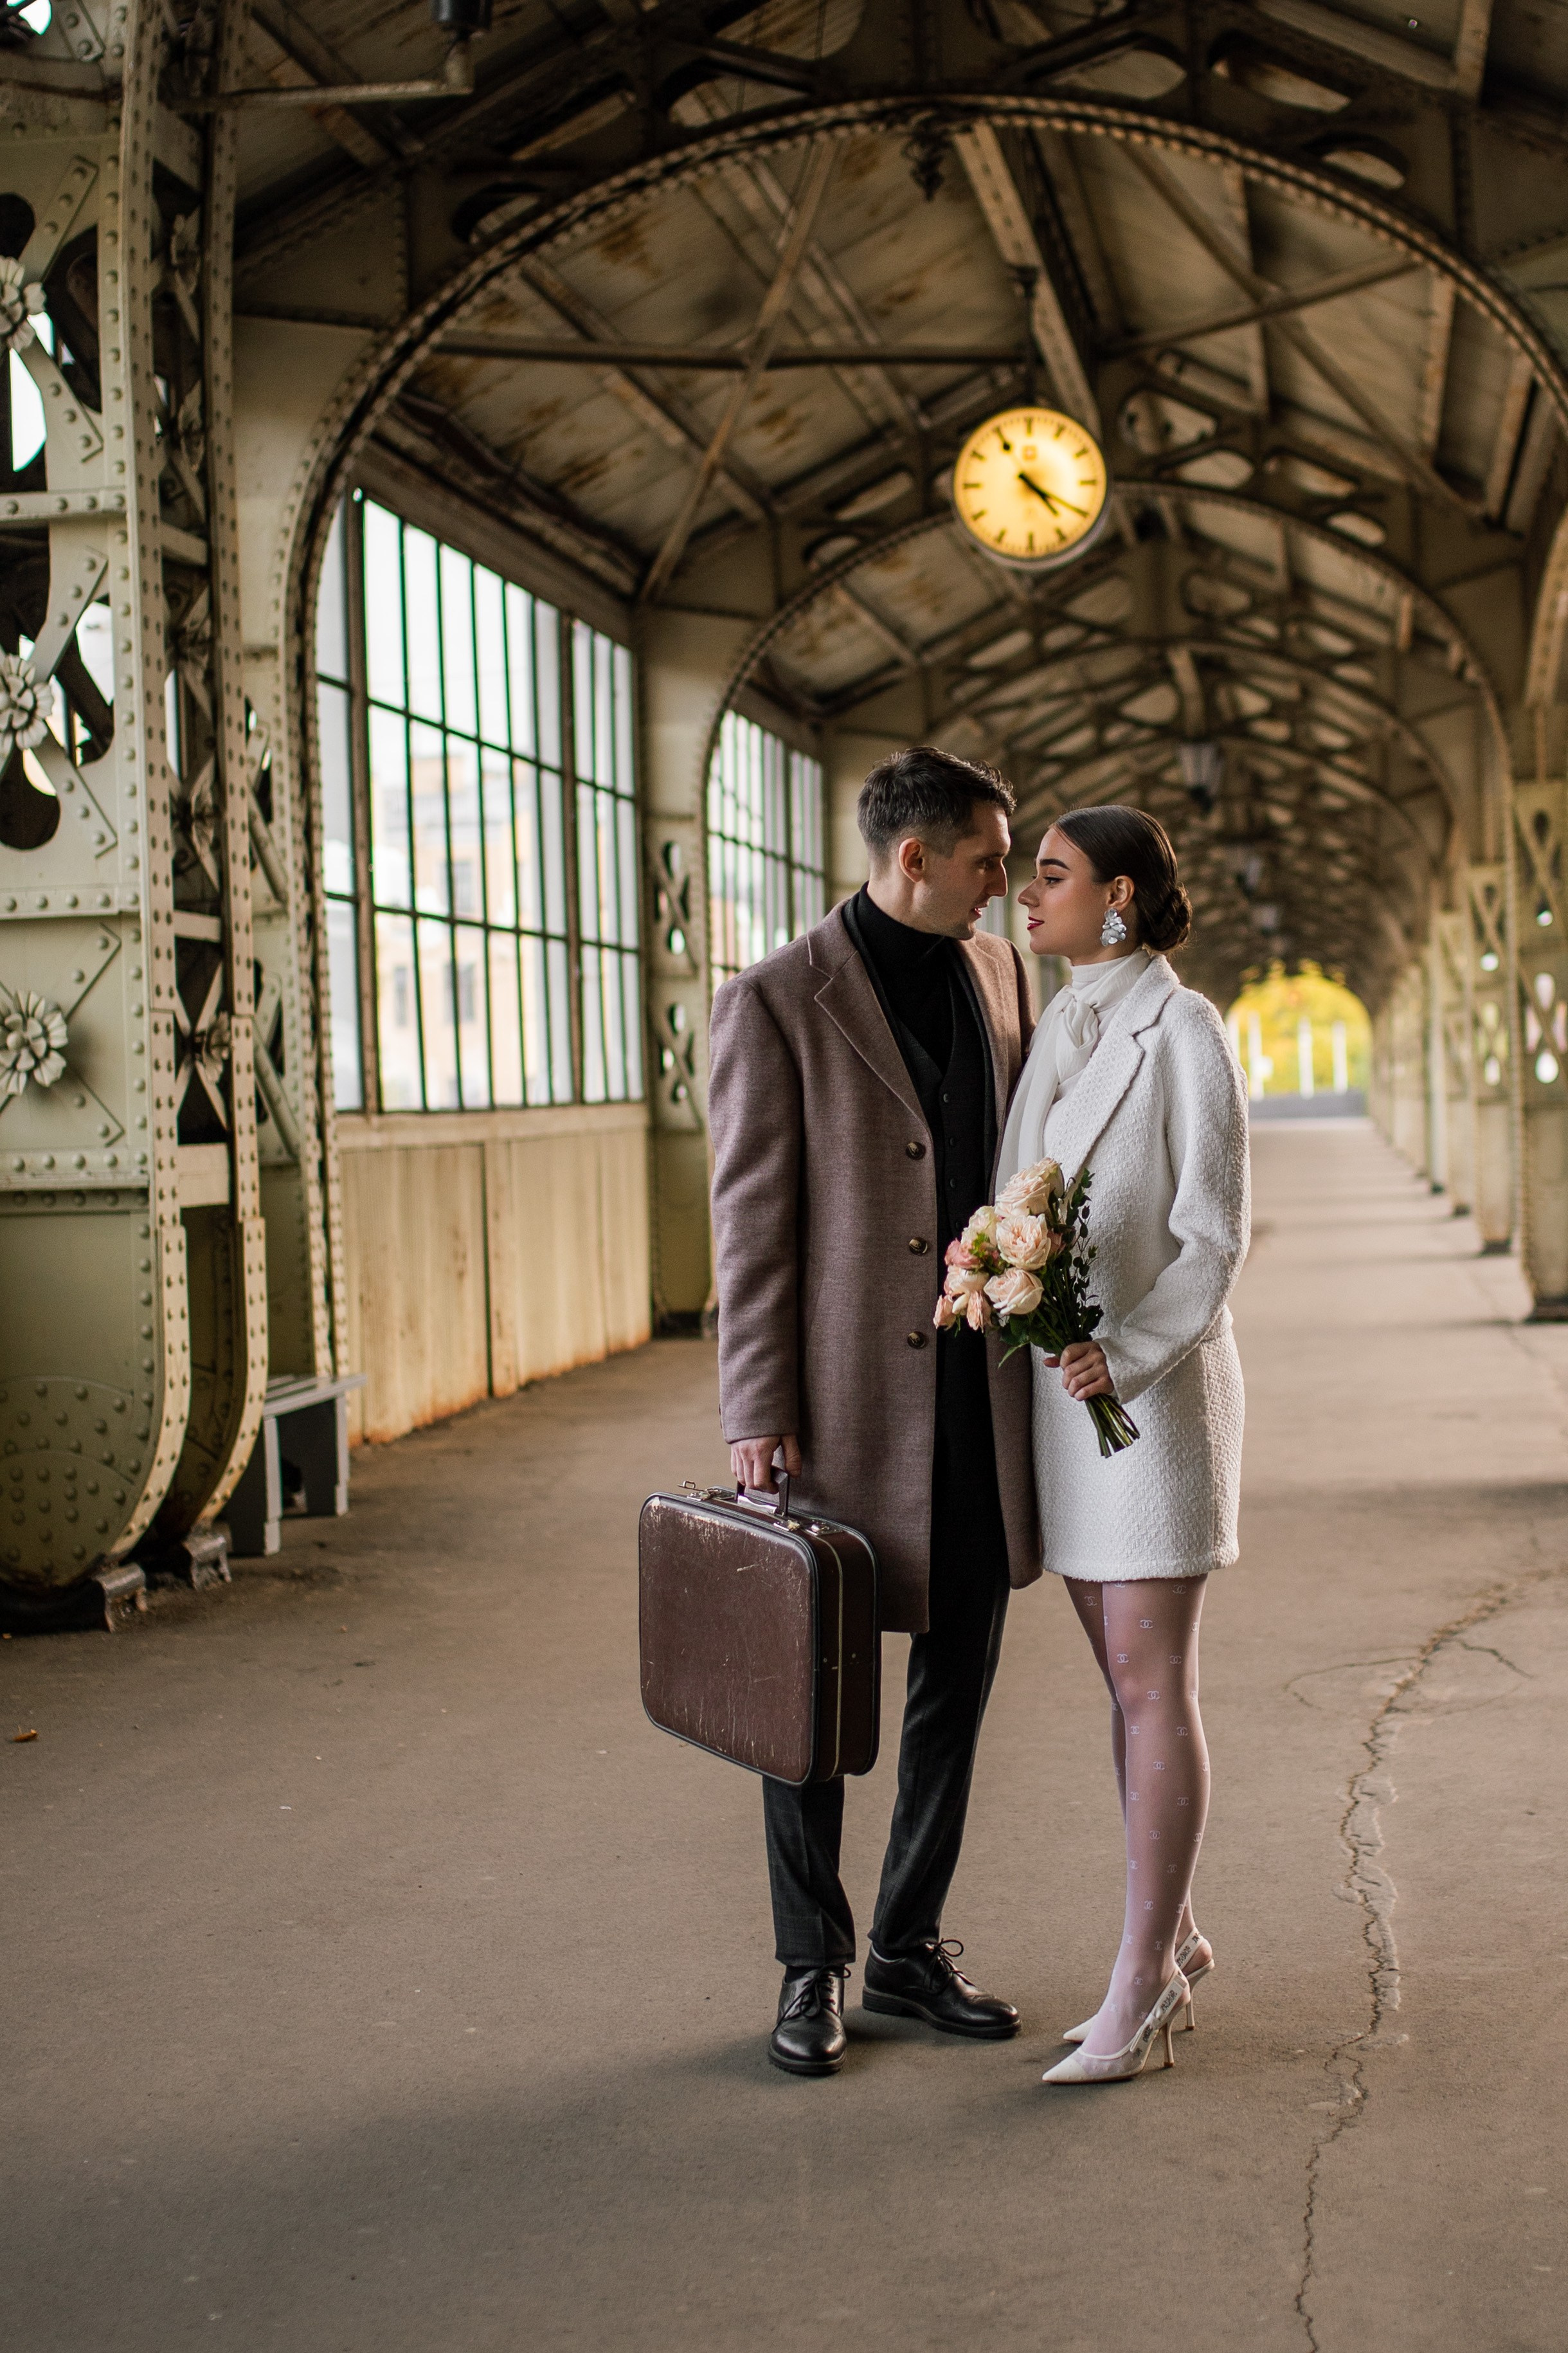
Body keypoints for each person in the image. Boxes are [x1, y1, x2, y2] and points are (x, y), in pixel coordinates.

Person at [707, 746, 1041, 2076]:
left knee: (958, 1669)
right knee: (809, 1693)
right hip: (838, 1407)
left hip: (980, 1398)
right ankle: (810, 1966)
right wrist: (755, 1408)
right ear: (912, 858)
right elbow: (748, 1226)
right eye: (985, 862)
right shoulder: (774, 1002)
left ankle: (905, 1945)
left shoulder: (998, 972)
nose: (1001, 887)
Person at [1001, 805, 1248, 2087]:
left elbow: (1210, 1231)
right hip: (1066, 1404)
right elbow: (1019, 1209)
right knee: (1121, 1686)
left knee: (1154, 1688)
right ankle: (1181, 1930)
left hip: (1145, 1409)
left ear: (1119, 898)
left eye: (1046, 876)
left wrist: (1131, 1351)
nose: (1021, 895)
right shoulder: (1056, 1026)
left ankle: (1139, 1977)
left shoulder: (1184, 1030)